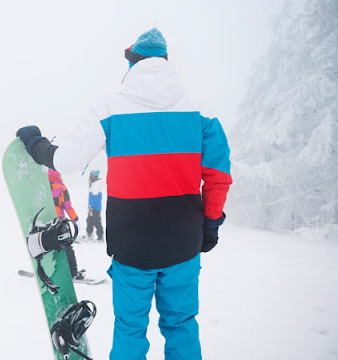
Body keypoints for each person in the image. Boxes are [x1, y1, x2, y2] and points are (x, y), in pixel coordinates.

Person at [16, 28, 232, 360]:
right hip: (183, 243)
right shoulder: (200, 111)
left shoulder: (111, 109)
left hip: (132, 246)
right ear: (165, 62)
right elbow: (218, 177)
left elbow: (68, 160)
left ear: (132, 63)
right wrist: (211, 224)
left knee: (130, 328)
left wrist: (35, 144)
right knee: (182, 324)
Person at [47, 168, 84, 280]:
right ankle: (73, 272)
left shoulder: (44, 186)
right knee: (66, 247)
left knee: (48, 247)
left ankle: (47, 270)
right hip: (59, 224)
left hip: (47, 222)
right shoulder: (62, 188)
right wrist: (75, 219)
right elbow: (68, 206)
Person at [85, 170, 104, 242]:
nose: (89, 177)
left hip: (95, 208)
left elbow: (95, 198)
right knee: (89, 220)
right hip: (92, 207)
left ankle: (100, 237)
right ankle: (89, 234)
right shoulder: (93, 184)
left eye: (90, 176)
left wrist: (92, 207)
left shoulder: (96, 184)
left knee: (96, 221)